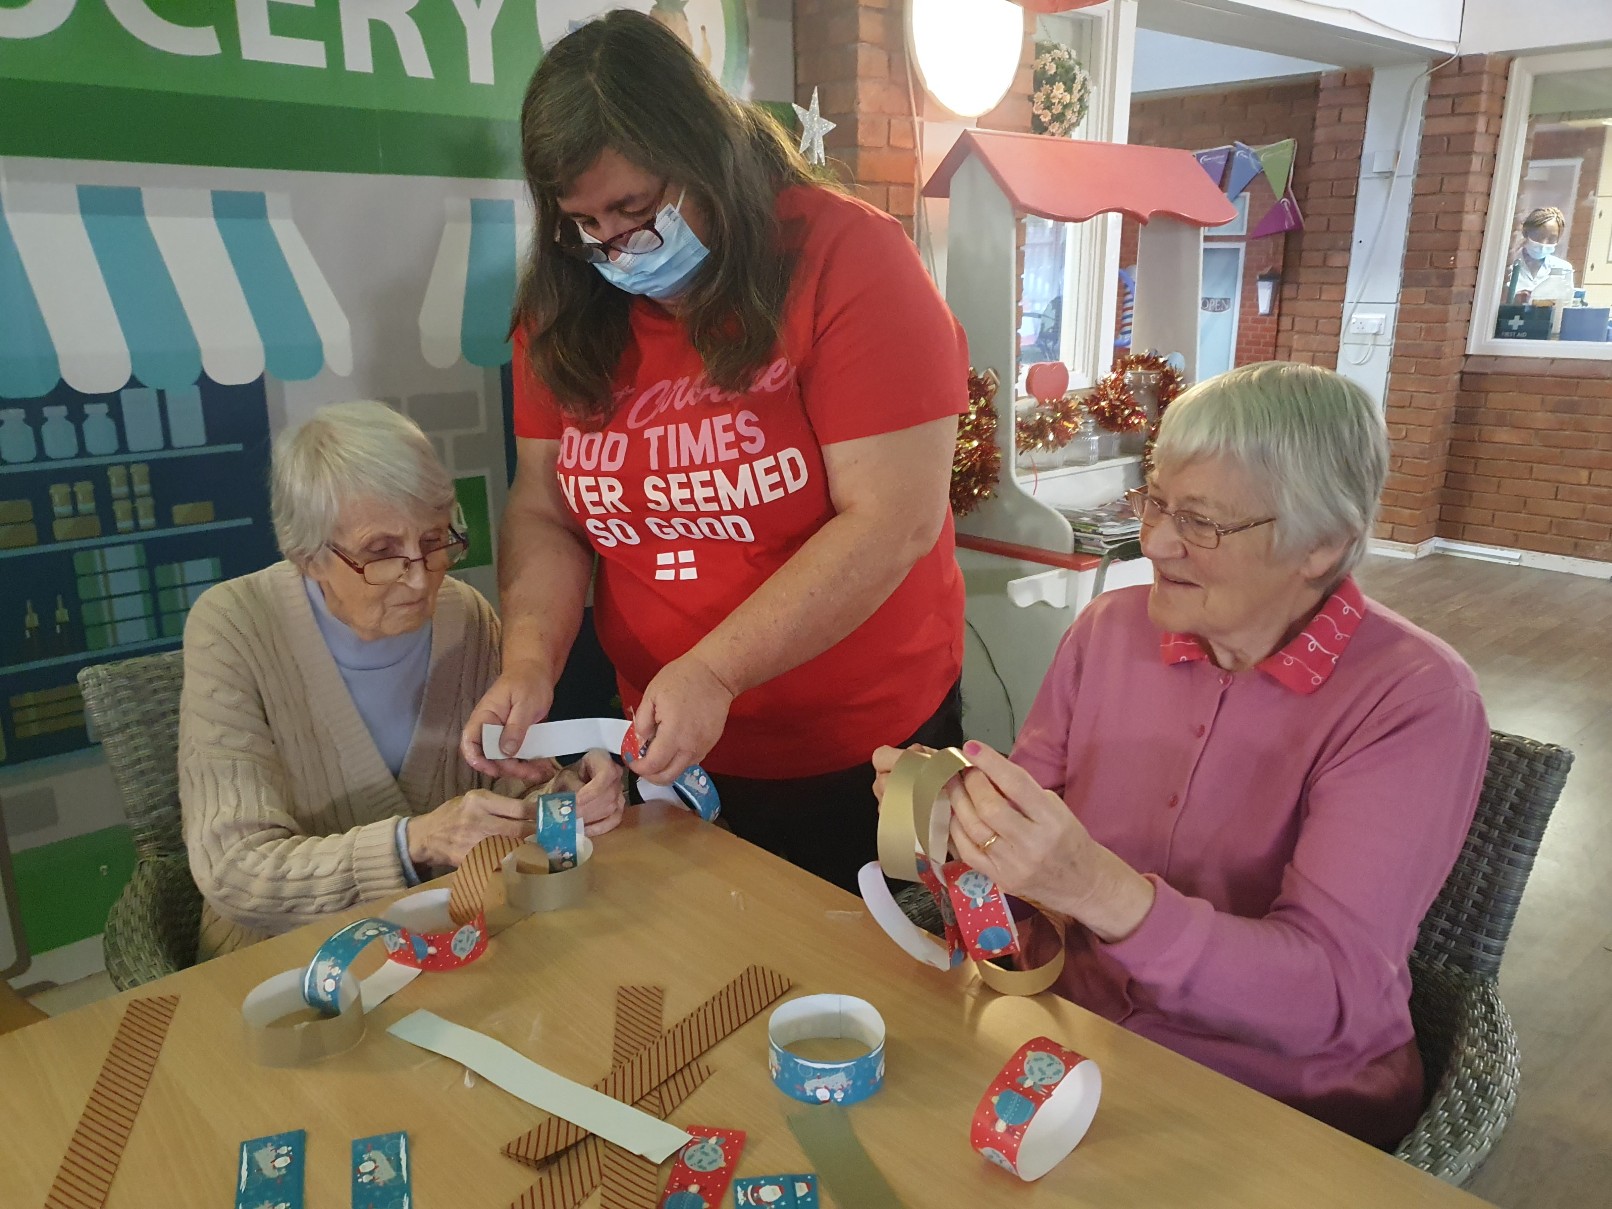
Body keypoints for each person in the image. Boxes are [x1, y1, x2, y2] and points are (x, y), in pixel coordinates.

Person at [876, 362, 1488, 1147]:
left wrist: (1099, 888)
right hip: (1061, 1041)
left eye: (1202, 521)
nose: (1155, 540)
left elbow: (1327, 991)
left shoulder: (1413, 699)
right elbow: (1019, 885)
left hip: (1272, 1106)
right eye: (1156, 499)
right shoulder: (1109, 630)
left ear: (1323, 543)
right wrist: (956, 817)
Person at [461, 11, 967, 893]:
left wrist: (715, 667)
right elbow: (546, 509)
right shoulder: (562, 303)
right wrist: (531, 659)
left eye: (636, 209)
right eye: (585, 223)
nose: (616, 249)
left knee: (860, 992)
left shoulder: (846, 259)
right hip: (666, 735)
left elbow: (894, 519)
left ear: (708, 155)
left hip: (859, 747)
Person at [181, 402, 624, 957]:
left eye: (435, 540)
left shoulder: (465, 616)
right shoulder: (233, 627)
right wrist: (410, 845)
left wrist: (565, 795)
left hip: (454, 940)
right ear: (308, 556)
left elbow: (506, 796)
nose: (419, 579)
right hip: (285, 961)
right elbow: (235, 871)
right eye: (381, 552)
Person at [1505, 206, 1575, 304]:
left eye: (1552, 238)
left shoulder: (1563, 269)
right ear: (1526, 232)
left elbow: (1566, 305)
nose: (1544, 243)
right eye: (1539, 236)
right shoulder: (1508, 264)